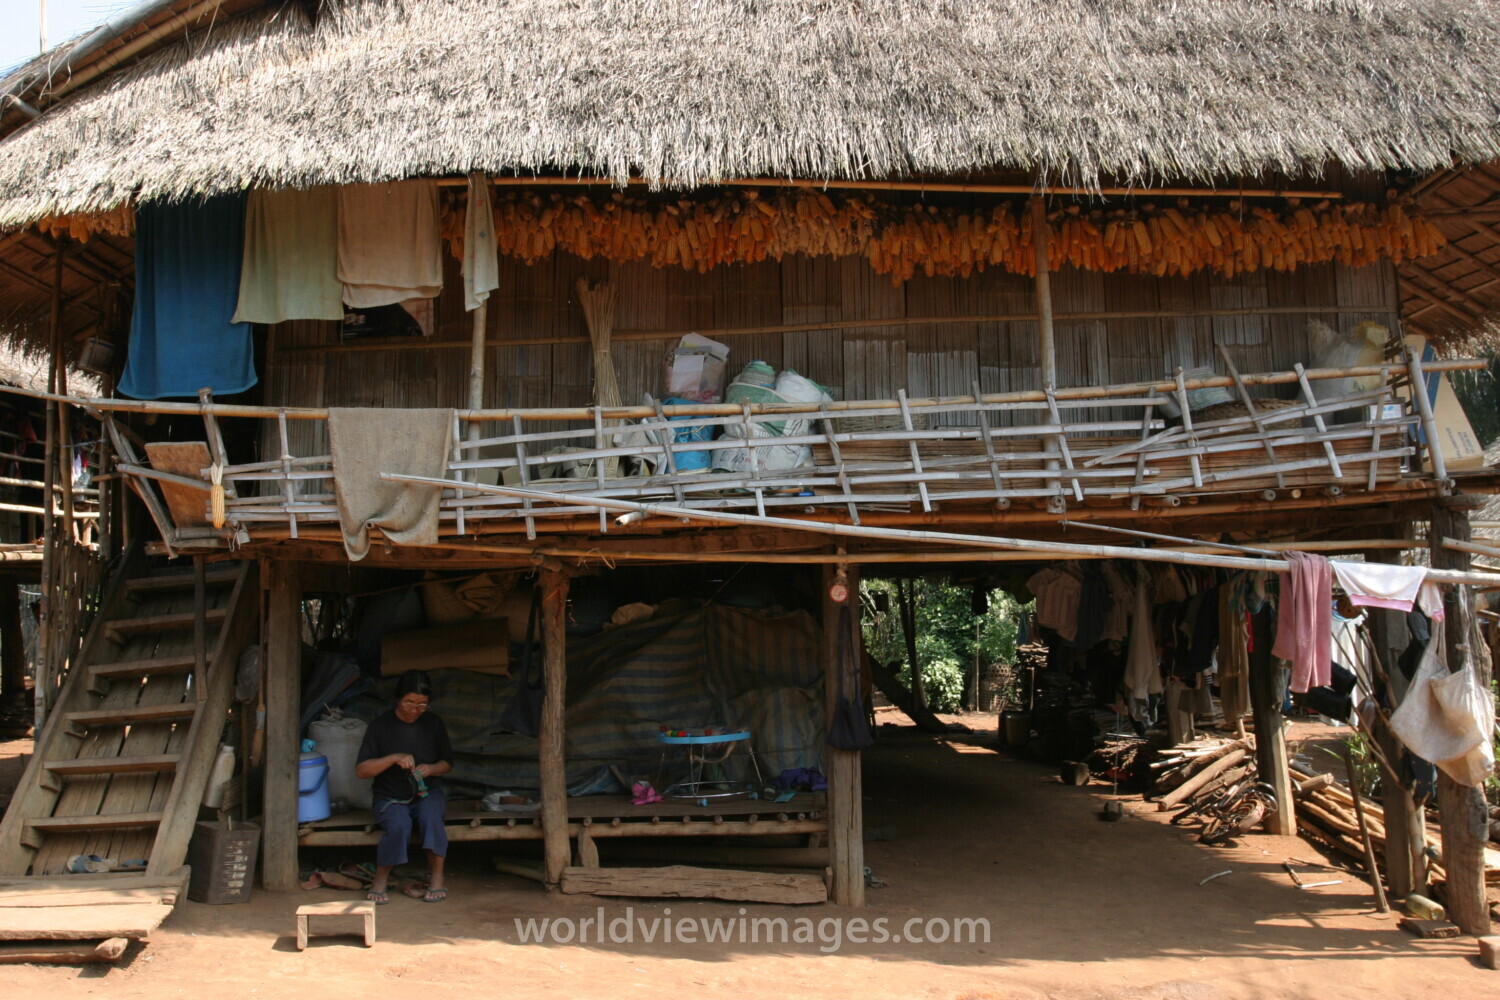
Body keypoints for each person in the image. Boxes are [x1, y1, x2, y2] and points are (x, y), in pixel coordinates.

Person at [355, 670, 453, 903]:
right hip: (390, 796)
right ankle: (380, 879)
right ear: (398, 698)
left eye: (422, 705)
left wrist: (430, 769)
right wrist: (393, 758)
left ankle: (437, 877)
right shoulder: (380, 726)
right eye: (409, 702)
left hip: (427, 792)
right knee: (399, 825)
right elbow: (362, 770)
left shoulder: (434, 723)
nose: (414, 709)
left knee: (431, 818)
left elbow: (447, 764)